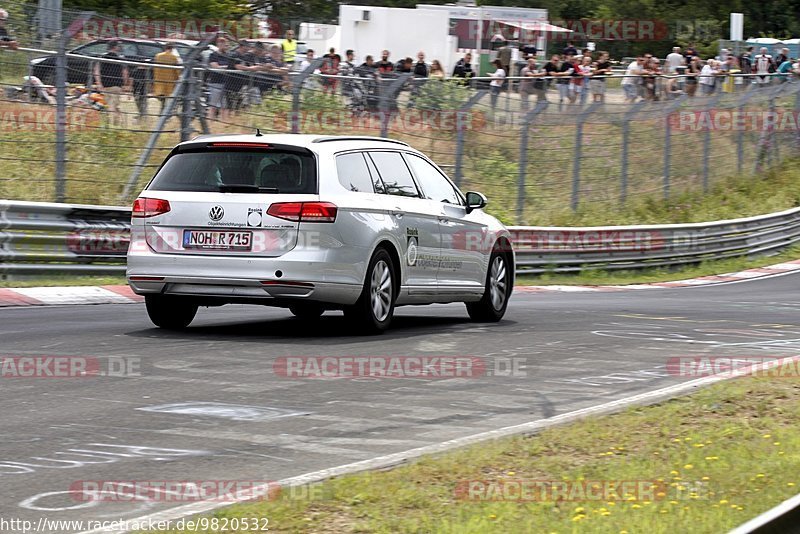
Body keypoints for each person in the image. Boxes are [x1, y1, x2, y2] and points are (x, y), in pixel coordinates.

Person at [93, 41, 129, 126]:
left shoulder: (102, 57)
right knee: (113, 105)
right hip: (117, 85)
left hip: (105, 85)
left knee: (110, 105)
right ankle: (116, 123)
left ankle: (113, 122)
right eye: (118, 46)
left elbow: (96, 71)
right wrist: (125, 84)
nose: (119, 48)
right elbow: (125, 73)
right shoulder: (120, 58)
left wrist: (99, 83)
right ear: (115, 47)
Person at [152, 42, 180, 113]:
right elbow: (177, 70)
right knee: (168, 97)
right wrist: (178, 78)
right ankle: (165, 112)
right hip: (169, 80)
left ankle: (162, 110)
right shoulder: (174, 57)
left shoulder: (158, 56)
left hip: (159, 79)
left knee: (162, 96)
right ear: (172, 49)